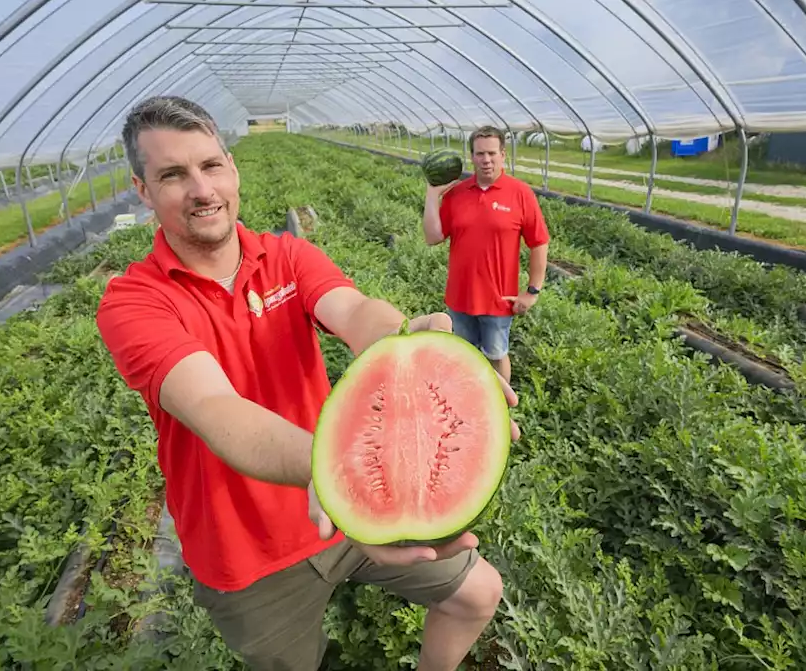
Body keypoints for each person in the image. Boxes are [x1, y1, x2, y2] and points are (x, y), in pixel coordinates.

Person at [94, 96, 519, 671]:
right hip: (249, 554)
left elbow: (354, 310)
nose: (201, 189)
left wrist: (405, 341)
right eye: (173, 174)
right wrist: (343, 479)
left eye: (211, 165)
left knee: (477, 593)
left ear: (232, 167)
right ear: (142, 190)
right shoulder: (134, 302)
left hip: (350, 505)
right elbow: (217, 408)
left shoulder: (286, 256)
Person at [420, 126, 550, 383]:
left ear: (503, 154)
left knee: (496, 355)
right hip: (459, 297)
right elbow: (432, 237)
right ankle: (467, 406)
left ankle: (502, 409)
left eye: (492, 153)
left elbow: (539, 243)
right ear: (472, 157)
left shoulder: (520, 193)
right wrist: (432, 194)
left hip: (498, 300)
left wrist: (532, 291)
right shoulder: (456, 194)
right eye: (480, 154)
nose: (486, 160)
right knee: (461, 357)